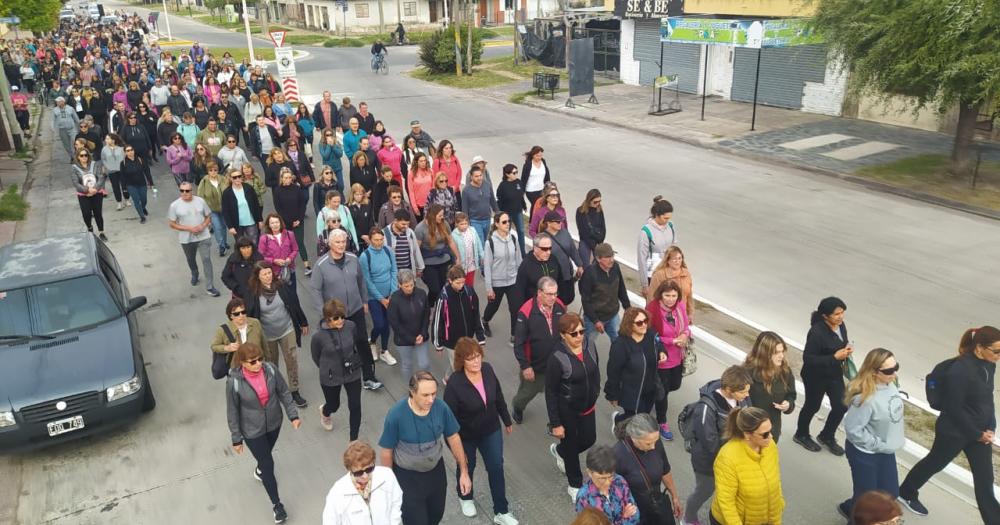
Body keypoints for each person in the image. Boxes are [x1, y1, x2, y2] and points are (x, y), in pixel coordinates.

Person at [899, 326, 1000, 521]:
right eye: (996, 351)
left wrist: (991, 426)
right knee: (934, 463)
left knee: (985, 481)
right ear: (979, 347)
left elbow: (988, 399)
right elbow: (953, 409)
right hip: (954, 431)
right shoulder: (960, 371)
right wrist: (977, 433)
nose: (999, 356)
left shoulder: (989, 365)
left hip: (978, 432)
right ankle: (906, 492)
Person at [379, 370, 472, 525]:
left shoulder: (441, 408)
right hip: (407, 477)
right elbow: (386, 451)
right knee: (416, 521)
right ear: (412, 392)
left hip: (435, 473)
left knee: (436, 515)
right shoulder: (396, 415)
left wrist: (464, 472)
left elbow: (454, 437)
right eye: (425, 395)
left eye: (434, 393)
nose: (431, 399)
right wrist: (390, 484)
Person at [443, 338, 519, 525]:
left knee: (496, 468)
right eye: (470, 358)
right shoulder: (455, 382)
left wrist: (506, 419)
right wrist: (453, 446)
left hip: (491, 430)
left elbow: (498, 395)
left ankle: (501, 511)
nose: (476, 361)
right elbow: (448, 419)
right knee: (467, 466)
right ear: (461, 360)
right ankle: (466, 497)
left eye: (477, 356)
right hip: (465, 436)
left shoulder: (487, 369)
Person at [226, 343, 302, 524]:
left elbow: (283, 392)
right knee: (268, 463)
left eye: (260, 359)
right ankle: (277, 505)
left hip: (275, 423)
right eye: (253, 361)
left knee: (264, 459)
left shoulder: (271, 370)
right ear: (243, 362)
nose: (258, 363)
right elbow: (232, 412)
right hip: (252, 431)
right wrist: (236, 438)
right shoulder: (234, 382)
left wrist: (293, 415)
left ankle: (259, 469)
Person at [310, 229, 383, 391]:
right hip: (336, 315)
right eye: (337, 242)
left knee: (362, 342)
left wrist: (364, 301)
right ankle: (343, 376)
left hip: (356, 309)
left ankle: (369, 377)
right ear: (329, 244)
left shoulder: (353, 259)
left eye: (343, 242)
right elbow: (315, 290)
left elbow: (361, 281)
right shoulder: (321, 265)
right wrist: (324, 313)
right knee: (341, 345)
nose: (341, 245)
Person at [837, 348, 904, 520]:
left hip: (885, 451)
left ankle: (849, 507)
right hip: (865, 454)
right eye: (889, 370)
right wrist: (879, 444)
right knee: (867, 503)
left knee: (890, 492)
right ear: (874, 372)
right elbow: (853, 430)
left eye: (896, 367)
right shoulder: (864, 399)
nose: (894, 373)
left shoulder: (891, 384)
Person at [683, 365, 752, 525]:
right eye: (743, 392)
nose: (747, 395)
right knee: (704, 491)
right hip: (708, 462)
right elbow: (710, 443)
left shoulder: (742, 398)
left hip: (732, 459)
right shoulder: (706, 407)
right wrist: (730, 461)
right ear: (728, 389)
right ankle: (688, 518)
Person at [546, 313, 601, 497]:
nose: (579, 336)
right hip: (567, 410)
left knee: (589, 439)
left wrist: (596, 392)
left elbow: (595, 371)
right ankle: (575, 486)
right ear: (563, 335)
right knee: (571, 448)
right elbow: (551, 392)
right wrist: (556, 423)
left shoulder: (590, 345)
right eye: (574, 333)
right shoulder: (557, 357)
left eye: (581, 331)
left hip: (588, 407)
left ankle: (561, 452)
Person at [245, 261, 310, 407]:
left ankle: (294, 391)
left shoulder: (281, 286)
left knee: (291, 360)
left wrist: (303, 322)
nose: (268, 276)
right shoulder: (253, 292)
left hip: (287, 329)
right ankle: (274, 389)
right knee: (271, 364)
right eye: (264, 274)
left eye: (269, 273)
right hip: (267, 335)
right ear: (257, 276)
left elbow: (294, 303)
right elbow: (250, 315)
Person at [794, 296, 851, 456]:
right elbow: (808, 359)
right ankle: (801, 434)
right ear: (825, 316)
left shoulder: (840, 325)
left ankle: (827, 435)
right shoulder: (817, 332)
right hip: (815, 376)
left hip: (834, 373)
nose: (841, 317)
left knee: (841, 405)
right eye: (837, 314)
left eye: (842, 313)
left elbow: (841, 341)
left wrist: (846, 350)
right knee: (812, 406)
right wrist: (834, 357)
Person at [511, 276, 566, 423]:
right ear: (539, 292)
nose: (553, 298)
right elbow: (519, 343)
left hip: (557, 363)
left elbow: (565, 331)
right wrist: (525, 366)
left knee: (560, 392)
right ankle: (517, 407)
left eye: (555, 293)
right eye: (549, 294)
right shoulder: (526, 311)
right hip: (535, 366)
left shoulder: (560, 306)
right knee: (526, 394)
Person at [613, 414, 683, 525]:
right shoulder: (618, 454)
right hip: (635, 513)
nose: (653, 447)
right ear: (633, 437)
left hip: (656, 506)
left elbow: (665, 470)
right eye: (648, 443)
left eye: (655, 441)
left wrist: (675, 496)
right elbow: (612, 490)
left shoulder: (654, 441)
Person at [311, 299, 364, 439]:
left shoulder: (351, 326)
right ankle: (325, 412)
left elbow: (355, 342)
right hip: (331, 376)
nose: (340, 320)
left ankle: (354, 438)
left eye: (342, 317)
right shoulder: (318, 337)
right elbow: (316, 357)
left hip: (352, 372)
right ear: (328, 319)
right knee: (334, 405)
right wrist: (328, 368)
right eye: (336, 318)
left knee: (355, 405)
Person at [605, 308, 667, 425]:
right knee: (635, 418)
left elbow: (658, 344)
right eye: (639, 323)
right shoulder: (620, 345)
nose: (644, 324)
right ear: (629, 325)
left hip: (651, 387)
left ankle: (620, 420)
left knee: (643, 415)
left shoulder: (650, 334)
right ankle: (621, 426)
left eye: (645, 320)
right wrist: (613, 394)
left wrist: (662, 352)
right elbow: (613, 371)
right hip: (632, 391)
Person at [646, 280, 690, 440]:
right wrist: (671, 341)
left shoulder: (680, 307)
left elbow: (686, 326)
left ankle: (652, 397)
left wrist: (685, 335)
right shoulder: (652, 309)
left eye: (674, 295)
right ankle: (661, 421)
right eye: (667, 295)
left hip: (678, 356)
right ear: (660, 295)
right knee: (662, 393)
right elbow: (650, 335)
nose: (671, 299)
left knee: (674, 385)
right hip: (662, 358)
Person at [322, 440, 403, 525]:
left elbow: (396, 500)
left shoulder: (387, 476)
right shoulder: (338, 492)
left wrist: (394, 522)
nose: (365, 476)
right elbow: (329, 521)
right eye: (358, 473)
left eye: (369, 469)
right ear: (350, 470)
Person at [432, 265, 486, 378]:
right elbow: (437, 322)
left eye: (463, 282)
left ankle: (447, 378)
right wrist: (438, 344)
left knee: (461, 361)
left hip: (468, 338)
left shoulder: (469, 292)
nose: (461, 286)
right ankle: (460, 385)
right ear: (450, 280)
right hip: (452, 342)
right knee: (459, 368)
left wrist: (481, 336)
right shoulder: (443, 298)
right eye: (458, 283)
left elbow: (476, 314)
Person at [167, 181, 221, 297]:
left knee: (206, 259)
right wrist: (188, 228)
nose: (185, 193)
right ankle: (194, 272)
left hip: (203, 236)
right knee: (190, 259)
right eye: (182, 191)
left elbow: (208, 216)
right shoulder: (174, 206)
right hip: (186, 239)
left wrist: (203, 225)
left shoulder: (200, 201)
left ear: (192, 191)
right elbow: (172, 224)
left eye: (187, 190)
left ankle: (210, 287)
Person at [742, 331, 796, 443]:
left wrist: (788, 405)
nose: (781, 356)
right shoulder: (747, 373)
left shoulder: (785, 371)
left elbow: (791, 395)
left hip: (773, 429)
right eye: (777, 352)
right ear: (764, 354)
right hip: (750, 431)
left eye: (782, 351)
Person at [360, 227, 399, 365]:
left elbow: (394, 271)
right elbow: (367, 281)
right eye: (376, 240)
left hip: (390, 295)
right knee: (379, 324)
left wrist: (393, 293)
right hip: (374, 297)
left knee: (387, 324)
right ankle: (372, 341)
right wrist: (381, 299)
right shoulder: (365, 257)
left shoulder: (388, 251)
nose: (379, 242)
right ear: (370, 240)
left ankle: (384, 351)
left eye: (381, 239)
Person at [482, 211, 522, 342]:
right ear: (497, 224)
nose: (508, 224)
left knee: (515, 308)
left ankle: (514, 335)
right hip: (497, 283)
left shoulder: (514, 238)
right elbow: (487, 267)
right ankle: (485, 320)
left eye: (509, 221)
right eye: (504, 222)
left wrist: (521, 280)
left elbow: (519, 260)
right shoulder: (490, 243)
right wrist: (489, 288)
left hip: (513, 280)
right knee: (493, 307)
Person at [580, 243, 630, 346]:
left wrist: (628, 308)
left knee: (619, 343)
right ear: (598, 259)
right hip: (593, 319)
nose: (611, 259)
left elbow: (621, 288)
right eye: (607, 257)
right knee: (587, 346)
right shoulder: (589, 273)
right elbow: (585, 300)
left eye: (612, 256)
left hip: (613, 315)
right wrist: (595, 321)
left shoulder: (615, 267)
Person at [573, 445, 639, 524]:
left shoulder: (619, 481)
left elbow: (635, 514)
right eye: (602, 478)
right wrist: (623, 518)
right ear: (589, 473)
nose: (608, 482)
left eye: (611, 476)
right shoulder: (584, 497)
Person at [388, 270, 432, 380]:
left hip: (421, 336)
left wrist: (423, 333)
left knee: (424, 364)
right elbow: (395, 323)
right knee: (407, 365)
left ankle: (426, 383)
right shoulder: (394, 299)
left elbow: (426, 315)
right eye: (406, 286)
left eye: (411, 285)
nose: (409, 288)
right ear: (399, 285)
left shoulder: (422, 294)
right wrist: (411, 338)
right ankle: (411, 387)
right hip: (403, 340)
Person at [415, 204, 460, 308]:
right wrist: (418, 267)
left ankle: (441, 309)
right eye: (440, 215)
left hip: (444, 260)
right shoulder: (420, 228)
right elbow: (416, 249)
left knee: (442, 287)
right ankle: (429, 306)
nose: (442, 217)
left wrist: (458, 257)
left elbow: (451, 242)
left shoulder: (444, 224)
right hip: (429, 262)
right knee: (434, 289)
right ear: (432, 216)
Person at [270, 169, 310, 281]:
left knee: (300, 242)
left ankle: (307, 265)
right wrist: (287, 221)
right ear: (281, 178)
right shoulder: (277, 191)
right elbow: (278, 208)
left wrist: (299, 219)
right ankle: (287, 265)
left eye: (289, 177)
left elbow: (302, 204)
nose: (288, 180)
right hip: (285, 222)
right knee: (287, 244)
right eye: (285, 177)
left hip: (298, 221)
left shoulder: (297, 189)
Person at [637, 197, 677, 297]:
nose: (668, 221)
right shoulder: (646, 232)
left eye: (669, 218)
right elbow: (642, 259)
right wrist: (645, 285)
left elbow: (674, 249)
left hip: (669, 273)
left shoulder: (670, 226)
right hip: (653, 275)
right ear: (657, 215)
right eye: (665, 218)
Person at [211, 298, 267, 367]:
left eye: (243, 312)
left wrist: (268, 360)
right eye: (237, 314)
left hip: (256, 364)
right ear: (231, 316)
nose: (241, 315)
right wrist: (227, 348)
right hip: (237, 368)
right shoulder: (222, 330)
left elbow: (264, 343)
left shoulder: (255, 323)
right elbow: (214, 346)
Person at [512, 234, 563, 309]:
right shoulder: (526, 266)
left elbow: (560, 282)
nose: (548, 252)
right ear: (535, 248)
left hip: (553, 308)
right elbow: (519, 294)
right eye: (544, 249)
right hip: (534, 311)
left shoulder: (553, 260)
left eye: (550, 248)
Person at [70, 147, 108, 240]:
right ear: (78, 157)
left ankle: (101, 232)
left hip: (97, 192)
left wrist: (94, 189)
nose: (84, 157)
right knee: (86, 213)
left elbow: (101, 177)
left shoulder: (95, 164)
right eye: (81, 155)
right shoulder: (74, 168)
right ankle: (90, 228)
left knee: (98, 213)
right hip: (83, 195)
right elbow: (76, 183)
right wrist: (87, 190)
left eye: (86, 155)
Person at [646, 246, 694, 319]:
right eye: (674, 259)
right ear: (668, 260)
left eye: (679, 258)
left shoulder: (686, 273)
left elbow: (689, 296)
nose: (677, 261)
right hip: (664, 316)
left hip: (682, 316)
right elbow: (652, 297)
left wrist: (690, 313)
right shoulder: (659, 275)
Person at [222, 168, 264, 245]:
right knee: (240, 245)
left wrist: (260, 220)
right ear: (231, 179)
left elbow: (256, 205)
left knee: (254, 242)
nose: (237, 179)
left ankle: (254, 257)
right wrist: (230, 227)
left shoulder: (248, 188)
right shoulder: (227, 193)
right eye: (234, 177)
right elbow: (225, 211)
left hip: (251, 221)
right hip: (237, 224)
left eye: (239, 176)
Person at [196, 163, 230, 256]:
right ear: (208, 171)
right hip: (212, 210)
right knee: (217, 227)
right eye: (211, 170)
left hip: (224, 209)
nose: (213, 172)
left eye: (215, 170)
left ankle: (224, 242)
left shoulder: (223, 179)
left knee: (223, 227)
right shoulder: (204, 181)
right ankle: (221, 246)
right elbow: (200, 197)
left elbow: (229, 191)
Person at [461, 165, 498, 247]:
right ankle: (483, 259)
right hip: (475, 221)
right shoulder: (466, 190)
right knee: (480, 243)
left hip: (487, 219)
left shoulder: (487, 185)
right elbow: (464, 209)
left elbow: (492, 200)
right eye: (476, 176)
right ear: (471, 177)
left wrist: (498, 213)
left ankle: (482, 257)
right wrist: (466, 223)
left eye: (480, 175)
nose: (479, 178)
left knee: (485, 241)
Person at [495, 164, 526, 255]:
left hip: (518, 211)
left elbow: (521, 196)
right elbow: (499, 198)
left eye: (517, 172)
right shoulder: (503, 186)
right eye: (514, 173)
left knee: (521, 230)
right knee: (506, 232)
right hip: (507, 213)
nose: (516, 174)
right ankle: (508, 251)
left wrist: (524, 205)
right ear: (507, 174)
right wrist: (500, 214)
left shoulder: (518, 182)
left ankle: (522, 251)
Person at [383, 209, 425, 275]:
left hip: (408, 270)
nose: (406, 226)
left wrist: (420, 268)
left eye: (407, 224)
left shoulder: (410, 232)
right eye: (403, 224)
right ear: (395, 221)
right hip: (393, 272)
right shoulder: (384, 233)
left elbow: (415, 250)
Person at [575, 189, 606, 266]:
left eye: (599, 201)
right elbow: (582, 232)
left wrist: (600, 241)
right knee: (585, 264)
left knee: (599, 264)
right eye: (595, 202)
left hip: (598, 240)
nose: (598, 204)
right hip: (586, 241)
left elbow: (603, 227)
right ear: (589, 200)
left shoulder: (599, 210)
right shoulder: (581, 211)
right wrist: (593, 246)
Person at [451, 213, 482, 286]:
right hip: (461, 265)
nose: (464, 226)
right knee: (461, 283)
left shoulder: (472, 230)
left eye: (466, 223)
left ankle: (469, 296)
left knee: (470, 283)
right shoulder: (453, 235)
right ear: (456, 224)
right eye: (462, 224)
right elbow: (453, 250)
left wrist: (482, 255)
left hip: (471, 263)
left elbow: (478, 243)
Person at [121, 145, 150, 223]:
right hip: (131, 185)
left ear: (134, 150)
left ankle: (143, 208)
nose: (130, 152)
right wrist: (124, 188)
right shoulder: (123, 163)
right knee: (136, 200)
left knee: (144, 199)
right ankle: (142, 217)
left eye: (131, 150)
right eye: (128, 151)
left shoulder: (140, 159)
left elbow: (147, 171)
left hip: (142, 183)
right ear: (125, 152)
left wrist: (151, 182)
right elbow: (122, 177)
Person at [102, 133, 129, 211]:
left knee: (124, 185)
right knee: (115, 187)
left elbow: (125, 159)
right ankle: (119, 202)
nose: (106, 140)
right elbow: (103, 159)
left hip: (121, 170)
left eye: (107, 139)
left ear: (113, 140)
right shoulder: (104, 149)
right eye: (106, 139)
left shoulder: (120, 148)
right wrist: (104, 167)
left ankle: (127, 199)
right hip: (111, 171)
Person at [348, 183, 375, 252]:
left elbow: (371, 220)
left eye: (361, 194)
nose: (359, 196)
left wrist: (370, 235)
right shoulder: (348, 207)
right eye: (357, 194)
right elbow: (351, 225)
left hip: (368, 237)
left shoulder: (368, 203)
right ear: (352, 194)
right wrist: (362, 236)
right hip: (356, 238)